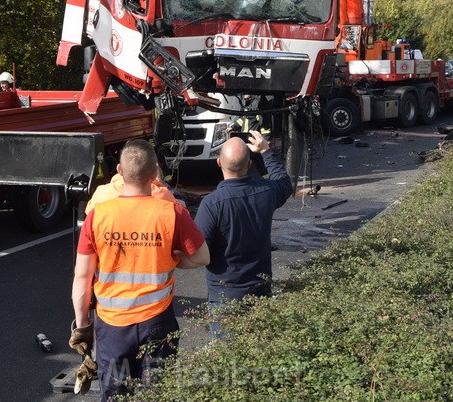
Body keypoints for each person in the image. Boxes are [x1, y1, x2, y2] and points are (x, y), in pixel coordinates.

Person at [70, 139, 209, 402]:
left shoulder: (98, 215)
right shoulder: (172, 212)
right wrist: (175, 259)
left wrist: (82, 326)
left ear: (120, 172)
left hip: (112, 326)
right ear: (155, 173)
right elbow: (202, 256)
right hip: (157, 322)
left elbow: (82, 276)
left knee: (115, 395)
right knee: (158, 392)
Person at [194, 130, 294, 323]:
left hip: (224, 293)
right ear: (249, 164)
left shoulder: (211, 204)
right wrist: (265, 150)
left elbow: (199, 251)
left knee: (226, 352)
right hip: (261, 289)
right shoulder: (266, 191)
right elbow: (284, 182)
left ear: (219, 162)